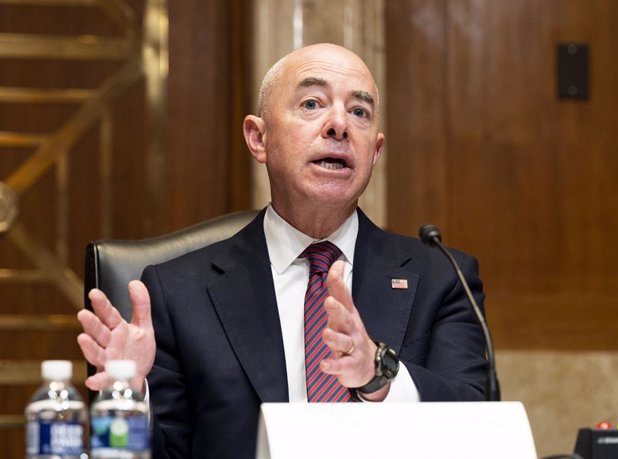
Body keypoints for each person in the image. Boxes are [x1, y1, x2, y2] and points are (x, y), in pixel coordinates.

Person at [77, 43, 488, 459]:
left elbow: (481, 431)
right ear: (259, 138)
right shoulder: (178, 292)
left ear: (375, 152)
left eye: (359, 112)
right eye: (313, 103)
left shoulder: (442, 278)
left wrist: (379, 378)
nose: (339, 125)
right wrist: (128, 399)